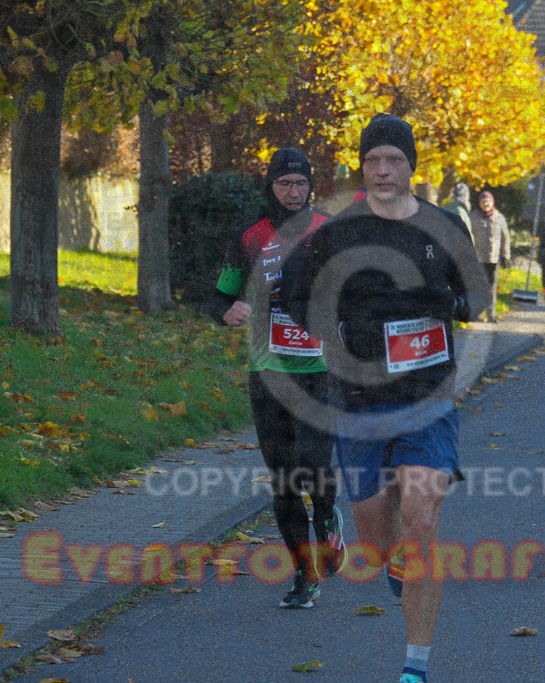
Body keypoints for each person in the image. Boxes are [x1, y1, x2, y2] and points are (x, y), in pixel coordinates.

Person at [288, 113, 490, 683]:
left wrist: (446, 304)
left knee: (420, 515)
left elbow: (476, 295)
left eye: (394, 160)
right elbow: (296, 295)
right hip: (357, 401)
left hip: (428, 399)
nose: (383, 169)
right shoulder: (335, 231)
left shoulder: (444, 225)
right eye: (373, 159)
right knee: (378, 532)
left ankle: (415, 666)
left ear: (410, 166)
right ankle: (396, 566)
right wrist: (339, 330)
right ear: (362, 165)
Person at [208, 148, 344, 609]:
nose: (293, 192)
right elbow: (219, 296)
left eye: (301, 184)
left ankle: (328, 519)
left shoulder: (329, 230)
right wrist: (229, 310)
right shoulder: (249, 236)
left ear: (311, 188)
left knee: (314, 465)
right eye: (285, 183)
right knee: (284, 478)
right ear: (271, 187)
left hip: (320, 371)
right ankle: (304, 575)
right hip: (267, 370)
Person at [469, 190, 511, 322]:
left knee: (491, 287)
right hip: (477, 258)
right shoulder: (473, 217)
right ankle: (476, 313)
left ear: (492, 203)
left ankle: (491, 314)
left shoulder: (499, 218)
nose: (486, 205)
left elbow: (505, 237)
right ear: (479, 203)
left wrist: (506, 256)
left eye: (488, 202)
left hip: (493, 258)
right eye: (483, 202)